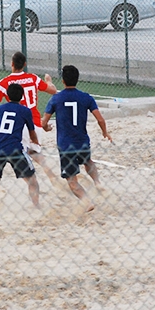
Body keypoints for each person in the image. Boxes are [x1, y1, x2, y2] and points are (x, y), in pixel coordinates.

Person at [0, 51, 58, 182]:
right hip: (35, 122)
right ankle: (51, 175)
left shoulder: (4, 83)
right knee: (34, 152)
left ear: (11, 64)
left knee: (20, 157)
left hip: (18, 124)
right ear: (24, 64)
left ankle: (28, 181)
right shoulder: (33, 78)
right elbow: (53, 91)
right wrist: (49, 81)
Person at [41, 65, 112, 212]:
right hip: (82, 141)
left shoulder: (56, 99)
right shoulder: (86, 97)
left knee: (72, 181)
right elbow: (100, 119)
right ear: (77, 80)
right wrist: (105, 132)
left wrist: (46, 127)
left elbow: (44, 122)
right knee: (88, 161)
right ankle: (97, 182)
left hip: (66, 145)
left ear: (63, 81)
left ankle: (87, 201)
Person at [0, 83, 41, 208]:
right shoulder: (25, 111)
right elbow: (32, 131)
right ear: (22, 97)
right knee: (32, 180)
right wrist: (35, 141)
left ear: (7, 97)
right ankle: (36, 205)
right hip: (15, 149)